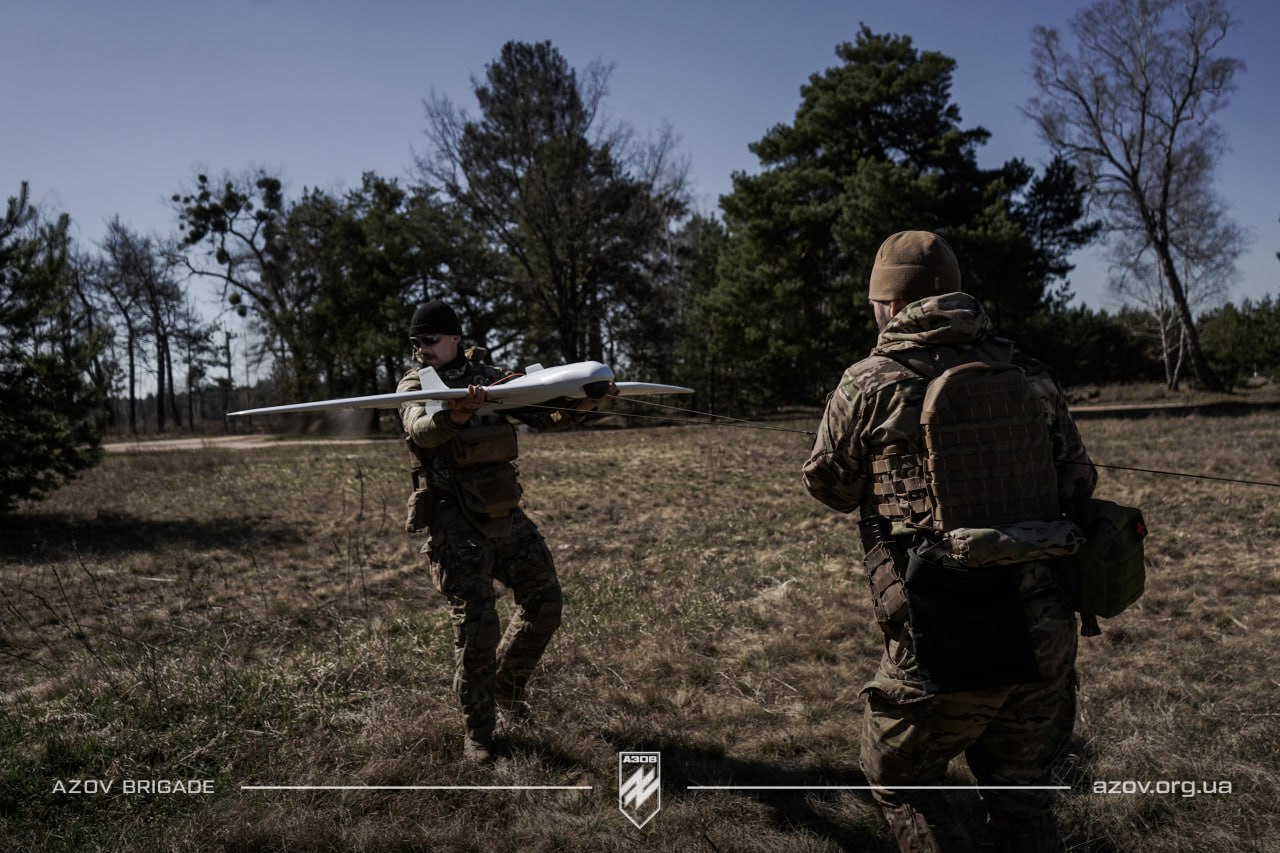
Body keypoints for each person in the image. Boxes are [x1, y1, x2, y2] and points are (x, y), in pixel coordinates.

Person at [802, 231, 1097, 852]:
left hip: (943, 631)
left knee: (901, 779)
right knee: (1022, 792)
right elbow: (1078, 478)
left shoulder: (867, 383)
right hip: (1044, 623)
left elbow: (830, 489)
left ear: (889, 304)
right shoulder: (1027, 373)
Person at [399, 300, 611, 763]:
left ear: (455, 338)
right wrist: (453, 414)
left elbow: (545, 415)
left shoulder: (495, 376)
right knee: (478, 628)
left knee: (545, 602)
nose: (421, 350)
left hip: (504, 511)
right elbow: (421, 431)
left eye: (430, 340)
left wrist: (584, 403)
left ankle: (507, 690)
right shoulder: (415, 384)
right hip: (454, 521)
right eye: (415, 342)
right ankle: (479, 731)